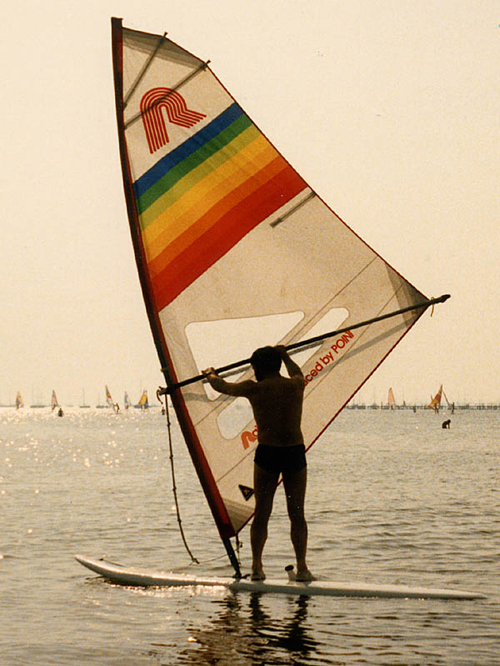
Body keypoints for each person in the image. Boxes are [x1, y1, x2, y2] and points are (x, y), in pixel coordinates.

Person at [203, 345, 313, 581]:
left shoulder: (254, 389)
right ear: (278, 364)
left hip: (268, 454)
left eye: (254, 367)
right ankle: (302, 568)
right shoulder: (295, 385)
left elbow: (221, 386)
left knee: (262, 512)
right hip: (294, 452)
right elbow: (298, 374)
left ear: (259, 368)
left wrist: (210, 373)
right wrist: (285, 355)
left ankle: (257, 567)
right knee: (297, 513)